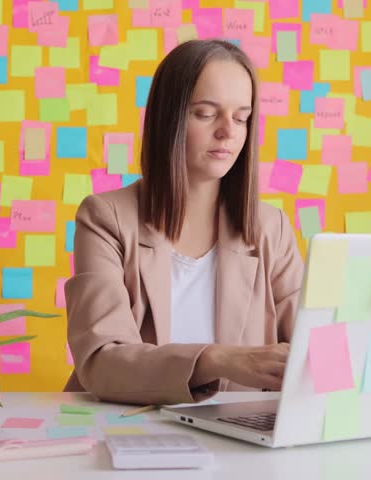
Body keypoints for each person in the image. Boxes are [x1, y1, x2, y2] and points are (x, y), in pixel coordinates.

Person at [63, 39, 304, 406]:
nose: (228, 131)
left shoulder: (272, 228)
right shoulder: (105, 218)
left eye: (241, 118)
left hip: (234, 434)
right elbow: (101, 361)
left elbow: (313, 345)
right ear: (169, 119)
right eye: (206, 114)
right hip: (127, 427)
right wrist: (217, 360)